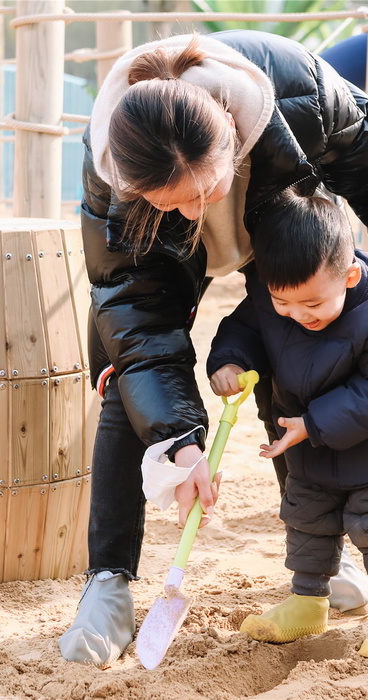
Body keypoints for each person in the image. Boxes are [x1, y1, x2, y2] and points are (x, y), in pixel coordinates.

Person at [57, 29, 368, 668]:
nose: (196, 211)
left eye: (206, 191)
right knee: (125, 376)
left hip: (283, 222)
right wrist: (178, 441)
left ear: (232, 137)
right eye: (174, 203)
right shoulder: (112, 178)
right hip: (160, 261)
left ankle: (320, 556)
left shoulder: (299, 92)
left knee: (298, 357)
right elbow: (140, 330)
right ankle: (108, 582)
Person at [207, 191, 368, 657]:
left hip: (356, 446)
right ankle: (307, 604)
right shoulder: (273, 299)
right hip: (308, 448)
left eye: (313, 305)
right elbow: (246, 328)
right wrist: (230, 361)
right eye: (284, 303)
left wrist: (314, 423)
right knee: (306, 520)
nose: (299, 316)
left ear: (350, 276)